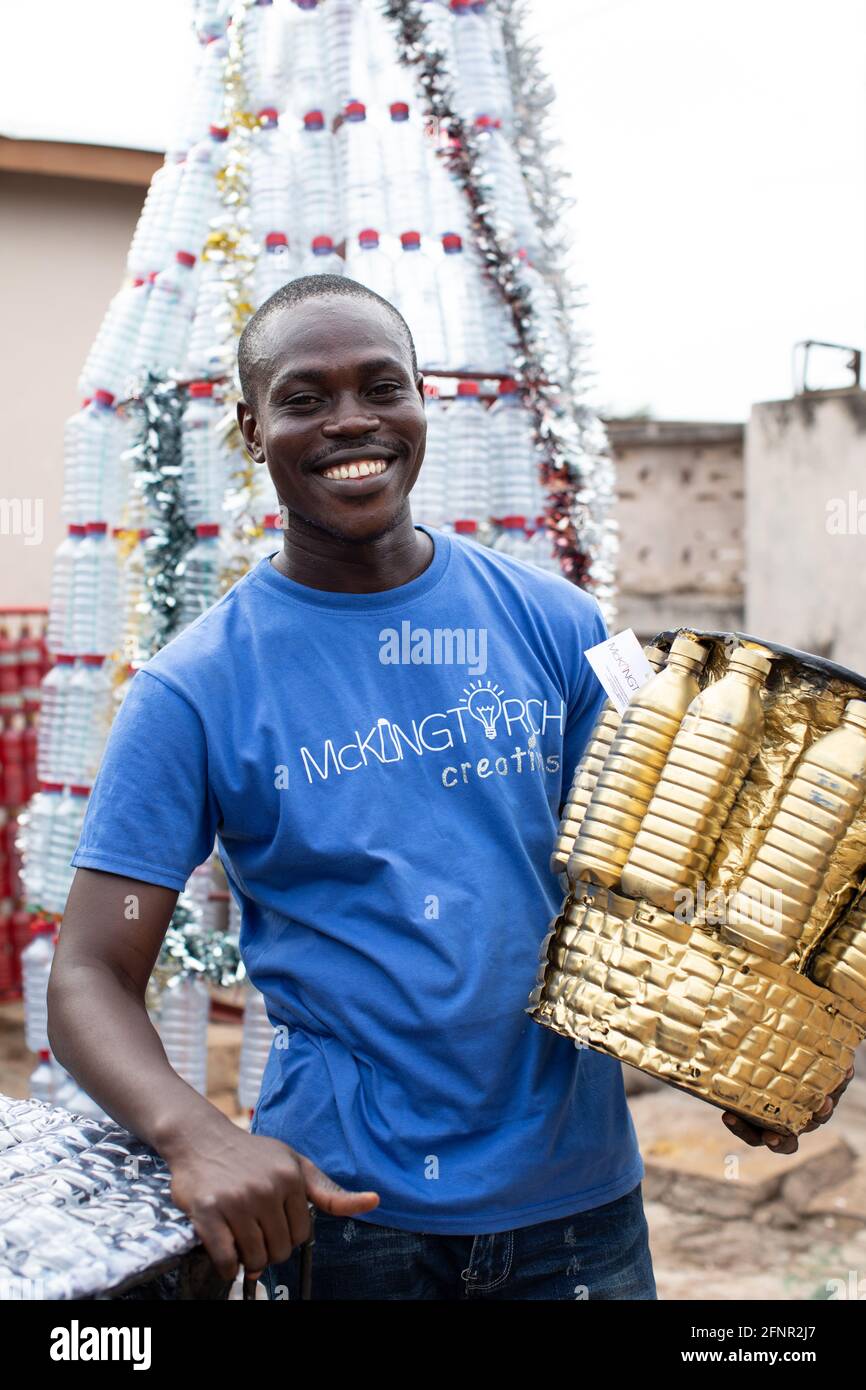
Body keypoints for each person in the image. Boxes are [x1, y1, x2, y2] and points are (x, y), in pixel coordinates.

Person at [47, 276, 849, 1302]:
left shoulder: (565, 629)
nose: (351, 421)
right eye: (304, 398)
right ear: (252, 428)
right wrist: (195, 1131)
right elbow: (88, 973)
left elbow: (673, 867)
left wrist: (740, 1040)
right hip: (348, 1221)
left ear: (423, 400)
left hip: (577, 1212)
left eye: (382, 386)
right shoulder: (194, 690)